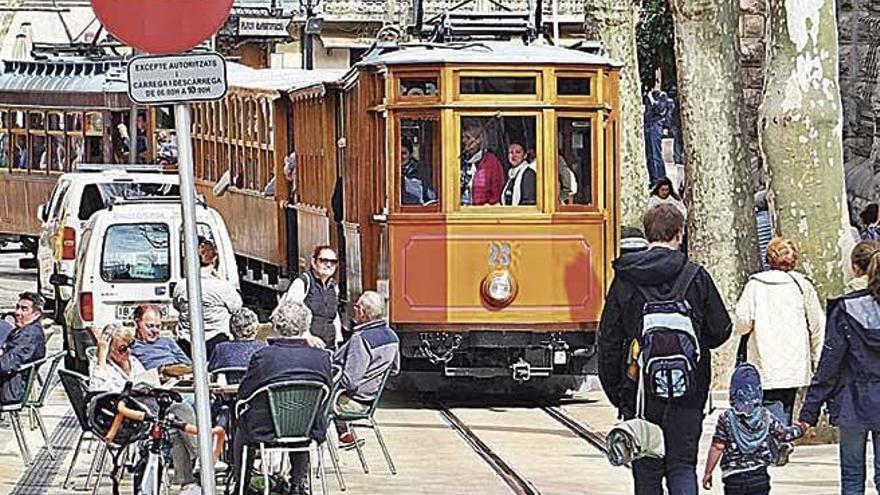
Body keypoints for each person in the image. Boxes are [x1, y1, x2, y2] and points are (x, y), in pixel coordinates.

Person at [597, 203, 731, 494]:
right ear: (680, 234)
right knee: (682, 466)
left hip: (641, 391)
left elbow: (607, 339)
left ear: (647, 233)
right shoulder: (696, 276)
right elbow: (721, 330)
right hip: (689, 390)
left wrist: (619, 393)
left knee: (646, 467)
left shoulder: (626, 277)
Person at [799, 250, 880, 495]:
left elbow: (830, 363)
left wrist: (809, 411)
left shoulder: (846, 309)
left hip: (853, 403)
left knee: (852, 476)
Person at [88, 322, 201, 495]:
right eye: (122, 349)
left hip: (143, 408)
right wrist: (102, 356)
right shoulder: (100, 366)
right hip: (122, 418)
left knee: (175, 424)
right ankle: (201, 457)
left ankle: (188, 483)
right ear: (108, 349)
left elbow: (144, 379)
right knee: (180, 410)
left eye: (130, 347)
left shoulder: (131, 361)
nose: (128, 352)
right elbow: (97, 390)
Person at [234, 300, 332, 495]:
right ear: (306, 325)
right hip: (307, 427)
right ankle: (297, 484)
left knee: (240, 427)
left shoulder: (263, 357)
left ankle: (242, 485)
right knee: (302, 422)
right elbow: (326, 391)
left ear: (277, 325)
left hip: (265, 428)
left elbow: (244, 393)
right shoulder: (321, 357)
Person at [734, 237, 825, 423]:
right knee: (786, 406)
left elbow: (742, 323)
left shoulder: (755, 286)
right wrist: (817, 360)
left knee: (770, 409)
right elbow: (817, 324)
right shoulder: (802, 286)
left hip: (763, 362)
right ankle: (781, 442)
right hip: (794, 362)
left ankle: (776, 445)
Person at [702, 364, 804, 495]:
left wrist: (708, 472)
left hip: (733, 480)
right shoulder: (766, 416)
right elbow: (783, 434)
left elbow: (717, 446)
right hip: (759, 477)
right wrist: (801, 428)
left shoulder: (726, 418)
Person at [332, 291, 400, 448]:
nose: (354, 309)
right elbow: (394, 370)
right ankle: (343, 434)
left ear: (362, 312)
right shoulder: (392, 337)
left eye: (356, 307)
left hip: (353, 401)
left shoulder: (361, 339)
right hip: (371, 400)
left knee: (311, 403)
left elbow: (350, 382)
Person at [173, 236, 243, 359]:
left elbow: (176, 305)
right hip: (217, 342)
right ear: (214, 260)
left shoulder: (182, 286)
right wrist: (221, 279)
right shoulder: (222, 287)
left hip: (186, 344)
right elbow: (237, 308)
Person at [278, 245, 341, 349]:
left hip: (328, 347)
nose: (329, 265)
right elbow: (289, 315)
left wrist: (337, 342)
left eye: (333, 262)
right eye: (323, 261)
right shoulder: (302, 283)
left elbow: (334, 317)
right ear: (314, 262)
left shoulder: (334, 287)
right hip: (306, 346)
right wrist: (307, 337)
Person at [0, 292, 47, 404]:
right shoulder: (25, 331)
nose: (17, 312)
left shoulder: (30, 335)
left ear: (36, 314)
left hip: (12, 390)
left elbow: (6, 365)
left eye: (24, 309)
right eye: (17, 307)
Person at [130, 304, 192, 373]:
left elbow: (189, 365)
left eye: (158, 326)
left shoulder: (167, 342)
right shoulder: (132, 346)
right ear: (137, 323)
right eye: (150, 326)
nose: (155, 330)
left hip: (180, 376)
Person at [208, 308, 267, 372]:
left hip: (229, 381)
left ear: (231, 330)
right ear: (255, 329)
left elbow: (210, 371)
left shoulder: (220, 349)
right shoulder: (264, 347)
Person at [460, 123, 504, 206]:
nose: (464, 141)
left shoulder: (492, 162)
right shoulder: (460, 160)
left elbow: (497, 190)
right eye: (463, 137)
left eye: (468, 138)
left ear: (478, 140)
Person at [643, 68, 669, 188]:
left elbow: (660, 110)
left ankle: (660, 178)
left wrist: (652, 99)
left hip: (655, 126)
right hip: (648, 125)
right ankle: (653, 178)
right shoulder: (648, 96)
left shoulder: (661, 96)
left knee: (655, 154)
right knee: (649, 154)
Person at [500, 141, 537, 206]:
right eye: (511, 152)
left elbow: (529, 202)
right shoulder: (511, 175)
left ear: (525, 155)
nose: (514, 156)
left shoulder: (528, 174)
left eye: (518, 152)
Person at [401, 141, 436, 205]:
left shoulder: (420, 171)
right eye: (397, 153)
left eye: (403, 153)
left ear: (410, 154)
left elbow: (430, 196)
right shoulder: (388, 171)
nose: (400, 156)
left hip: (416, 209)